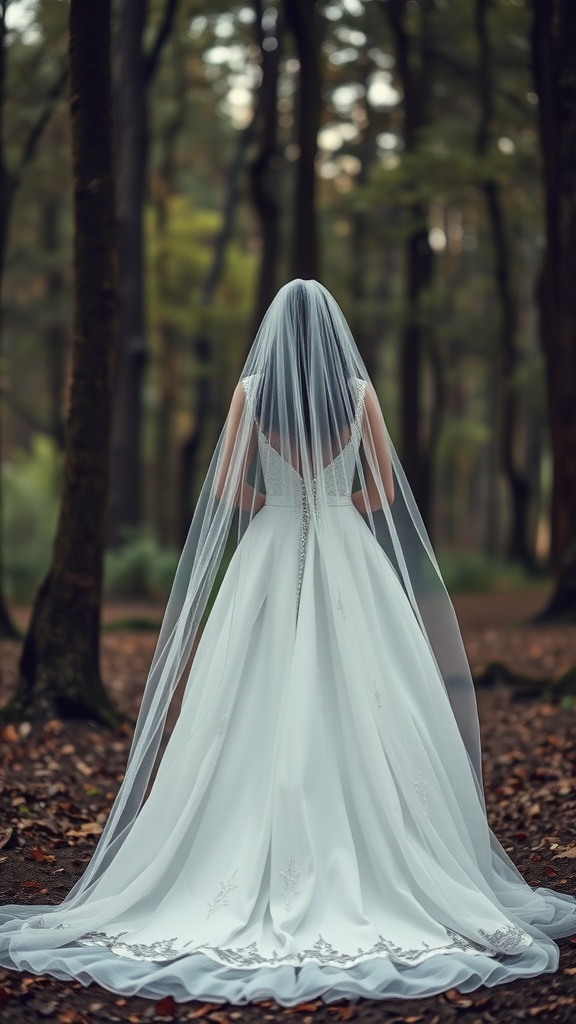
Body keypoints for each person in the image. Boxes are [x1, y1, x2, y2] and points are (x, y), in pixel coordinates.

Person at [1, 279, 575, 1006]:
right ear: (330, 334)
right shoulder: (360, 396)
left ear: (277, 331)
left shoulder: (250, 393)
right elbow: (385, 493)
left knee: (247, 687)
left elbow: (227, 490)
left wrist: (277, 504)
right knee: (368, 688)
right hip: (346, 544)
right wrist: (335, 504)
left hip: (270, 545)